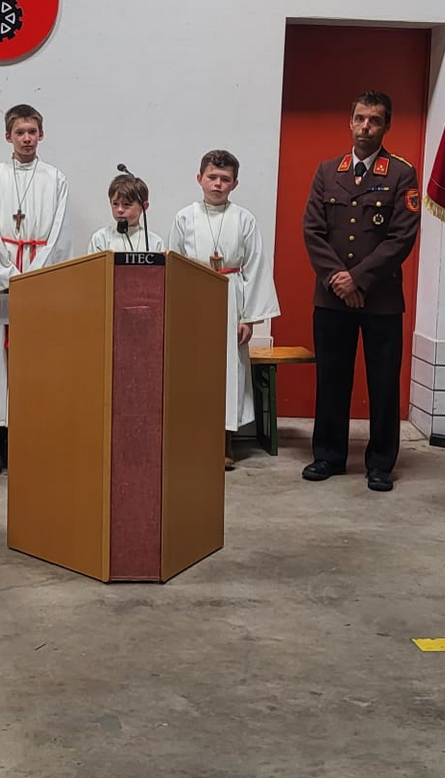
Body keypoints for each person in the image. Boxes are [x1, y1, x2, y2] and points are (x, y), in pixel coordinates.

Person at [301, 91, 422, 492]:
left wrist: (359, 279)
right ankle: (328, 456)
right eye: (359, 119)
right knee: (332, 378)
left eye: (374, 120)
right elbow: (313, 231)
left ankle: (381, 463)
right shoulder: (327, 171)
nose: (365, 127)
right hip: (331, 297)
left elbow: (402, 237)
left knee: (383, 383)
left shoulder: (401, 174)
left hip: (380, 300)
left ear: (386, 126)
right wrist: (340, 279)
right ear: (350, 122)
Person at [0, 104, 70, 476]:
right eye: (20, 132)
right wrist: (9, 275)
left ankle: (31, 441)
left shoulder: (56, 179)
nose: (26, 139)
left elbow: (59, 235)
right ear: (8, 136)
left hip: (38, 284)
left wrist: (34, 278)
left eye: (32, 132)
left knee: (35, 362)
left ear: (42, 134)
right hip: (1, 287)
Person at [169, 149, 280, 471]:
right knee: (194, 369)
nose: (217, 184)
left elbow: (255, 266)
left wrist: (249, 319)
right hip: (194, 295)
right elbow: (174, 262)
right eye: (212, 177)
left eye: (225, 179)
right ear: (199, 178)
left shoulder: (244, 219)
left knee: (229, 371)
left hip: (232, 297)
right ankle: (192, 437)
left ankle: (223, 440)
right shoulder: (184, 217)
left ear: (235, 184)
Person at [86, 169, 165, 253]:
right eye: (115, 204)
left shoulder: (155, 243)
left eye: (126, 204)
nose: (120, 210)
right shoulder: (100, 239)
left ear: (144, 207)